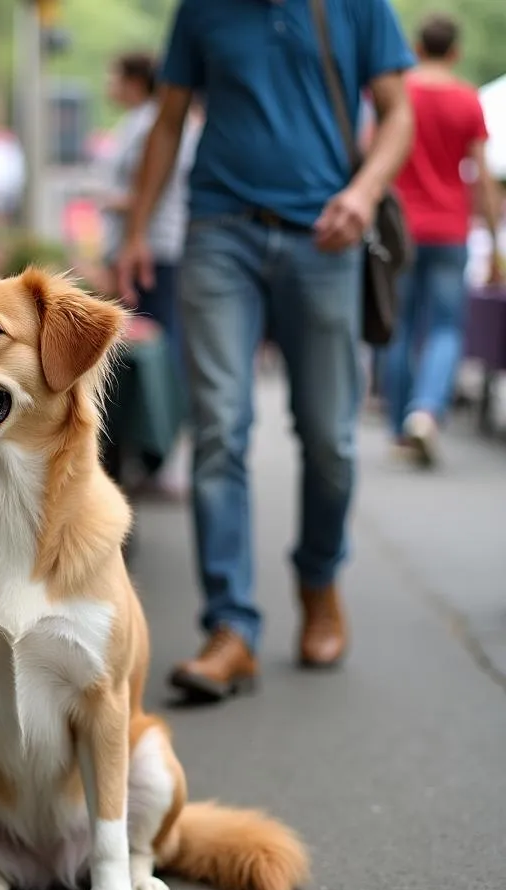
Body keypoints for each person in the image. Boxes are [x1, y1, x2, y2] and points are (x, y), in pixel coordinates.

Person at [117, 0, 415, 700]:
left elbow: (398, 113)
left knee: (330, 438)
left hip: (327, 236)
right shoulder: (202, 10)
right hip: (221, 232)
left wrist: (365, 192)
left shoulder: (358, 7)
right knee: (219, 427)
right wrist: (134, 232)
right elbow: (167, 120)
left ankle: (318, 579)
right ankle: (231, 628)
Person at [380, 14, 503, 467]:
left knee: (401, 328)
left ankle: (400, 428)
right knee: (447, 327)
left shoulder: (400, 93)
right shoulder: (468, 101)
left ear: (416, 46)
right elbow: (483, 179)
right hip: (451, 230)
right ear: (455, 52)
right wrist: (493, 238)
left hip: (401, 231)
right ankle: (426, 412)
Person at [98, 52, 202, 499]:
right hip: (148, 248)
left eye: (114, 72)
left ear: (135, 80)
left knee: (162, 352)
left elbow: (155, 187)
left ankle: (167, 454)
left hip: (158, 251)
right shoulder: (141, 121)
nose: (108, 81)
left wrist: (123, 211)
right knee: (151, 350)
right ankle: (154, 453)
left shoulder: (155, 123)